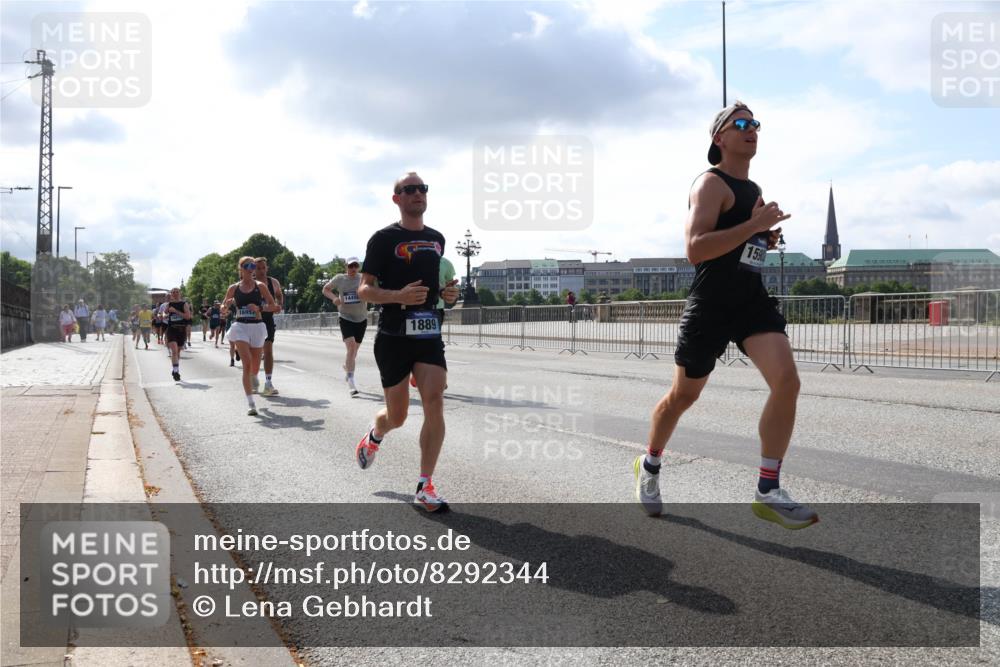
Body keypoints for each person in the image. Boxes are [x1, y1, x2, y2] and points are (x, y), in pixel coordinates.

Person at [633, 101, 817, 530]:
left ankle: (768, 490)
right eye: (740, 123)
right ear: (720, 138)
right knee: (684, 396)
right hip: (711, 304)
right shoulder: (710, 184)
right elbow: (696, 248)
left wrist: (763, 237)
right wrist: (751, 229)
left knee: (787, 381)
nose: (751, 129)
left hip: (750, 301)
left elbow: (739, 247)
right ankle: (650, 464)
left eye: (755, 123)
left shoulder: (752, 190)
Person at [354, 172, 460, 512]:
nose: (418, 193)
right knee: (397, 416)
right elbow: (364, 290)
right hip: (393, 334)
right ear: (397, 198)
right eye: (409, 189)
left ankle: (424, 485)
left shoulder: (437, 239)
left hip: (428, 331)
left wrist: (449, 294)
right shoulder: (383, 239)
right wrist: (398, 295)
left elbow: (439, 289)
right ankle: (376, 433)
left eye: (422, 188)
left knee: (434, 400)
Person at [222, 256, 279, 416]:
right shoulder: (233, 288)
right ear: (240, 268)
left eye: (253, 266)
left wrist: (259, 307)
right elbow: (223, 305)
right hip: (240, 326)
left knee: (254, 364)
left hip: (257, 327)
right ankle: (251, 403)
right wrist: (224, 306)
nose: (251, 268)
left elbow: (274, 307)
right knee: (246, 364)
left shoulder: (260, 286)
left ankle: (254, 375)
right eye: (248, 265)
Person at [322, 257, 368, 396]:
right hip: (345, 317)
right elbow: (325, 289)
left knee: (353, 353)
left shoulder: (363, 278)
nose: (353, 269)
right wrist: (334, 298)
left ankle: (347, 366)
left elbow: (372, 290)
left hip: (361, 318)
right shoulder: (340, 279)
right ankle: (351, 382)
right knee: (351, 346)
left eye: (355, 266)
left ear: (358, 267)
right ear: (346, 267)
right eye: (350, 266)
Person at [253, 257, 284, 396]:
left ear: (267, 268)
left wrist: (279, 304)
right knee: (255, 353)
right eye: (258, 268)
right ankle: (252, 379)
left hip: (268, 319)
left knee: (268, 351)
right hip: (252, 320)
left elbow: (279, 294)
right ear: (253, 269)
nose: (261, 271)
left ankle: (268, 383)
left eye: (263, 268)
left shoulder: (274, 282)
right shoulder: (250, 284)